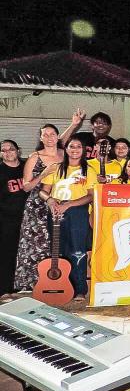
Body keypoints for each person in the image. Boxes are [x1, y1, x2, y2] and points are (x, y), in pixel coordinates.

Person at [39, 136, 98, 301]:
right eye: (72, 146)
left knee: (77, 250)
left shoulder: (89, 170)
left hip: (78, 212)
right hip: (56, 211)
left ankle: (80, 289)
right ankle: (63, 286)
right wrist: (50, 200)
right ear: (66, 149)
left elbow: (91, 196)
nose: (75, 149)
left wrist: (70, 204)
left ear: (83, 150)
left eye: (78, 146)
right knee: (59, 250)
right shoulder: (55, 168)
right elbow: (43, 191)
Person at [14, 124, 65, 292]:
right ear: (41, 138)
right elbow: (26, 187)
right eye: (45, 134)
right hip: (37, 206)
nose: (49, 137)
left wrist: (74, 124)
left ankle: (56, 283)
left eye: (52, 134)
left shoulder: (65, 154)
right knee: (35, 245)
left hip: (61, 204)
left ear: (58, 136)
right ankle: (31, 285)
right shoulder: (35, 157)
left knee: (57, 245)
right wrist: (43, 174)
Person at [0, 140, 27, 297]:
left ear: (18, 150)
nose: (7, 152)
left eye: (11, 149)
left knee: (25, 253)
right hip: (7, 220)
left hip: (29, 219)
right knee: (7, 254)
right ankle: (5, 289)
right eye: (3, 150)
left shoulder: (26, 167)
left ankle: (22, 285)